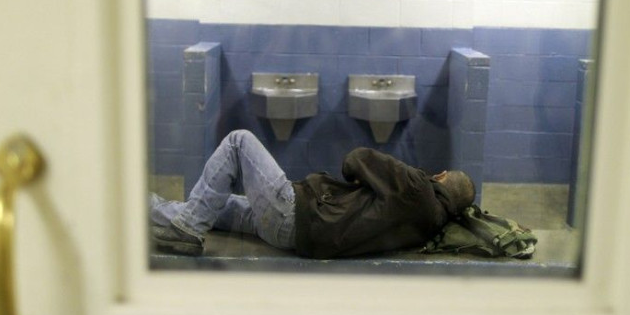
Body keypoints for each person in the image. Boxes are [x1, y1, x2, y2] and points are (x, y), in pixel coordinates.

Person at [150, 129, 476, 259]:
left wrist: (363, 179)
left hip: (295, 213)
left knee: (239, 141)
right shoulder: (432, 223)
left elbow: (356, 159)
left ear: (442, 177)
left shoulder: (418, 189)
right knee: (211, 206)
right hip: (302, 236)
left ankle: (189, 231)